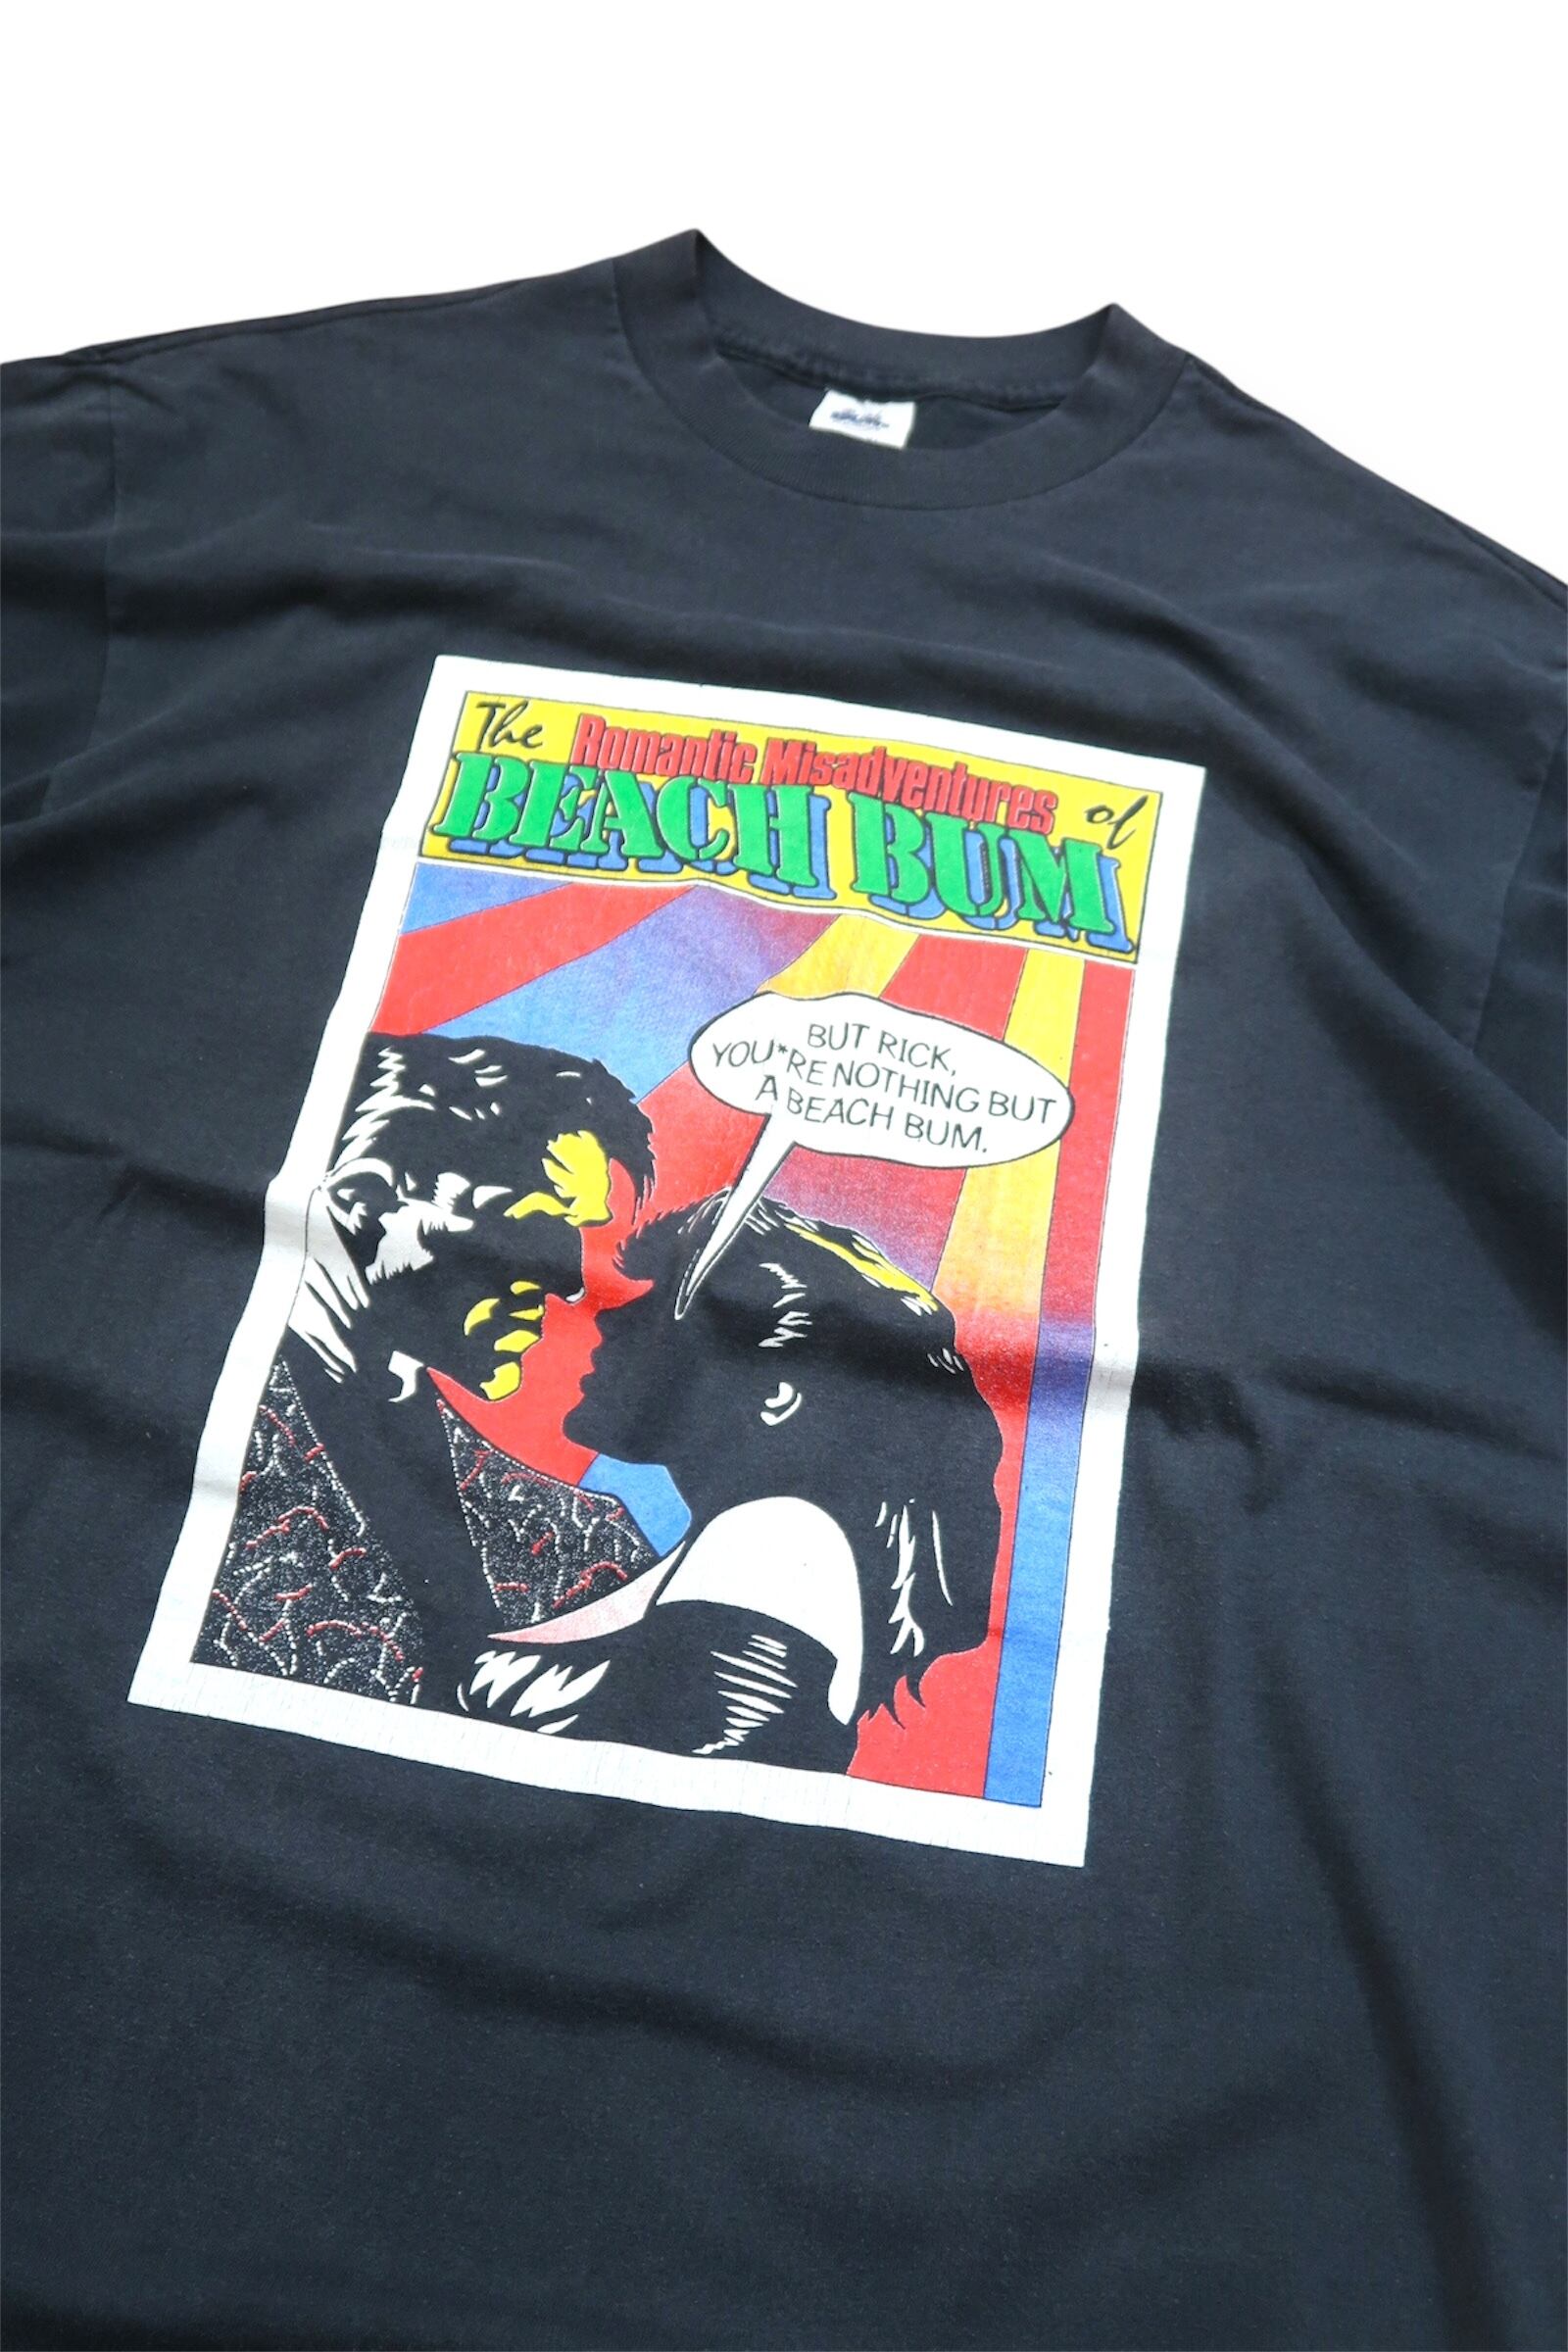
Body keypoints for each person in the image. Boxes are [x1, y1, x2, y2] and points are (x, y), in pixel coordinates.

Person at [457, 1192, 1004, 1769]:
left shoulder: (779, 1538)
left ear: (777, 1394)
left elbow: (703, 1774)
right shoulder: (751, 1542)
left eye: (662, 1306)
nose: (613, 1316)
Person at [200, 1030, 655, 1708]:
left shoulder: (585, 1546)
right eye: (531, 1230)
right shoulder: (171, 1412)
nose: (568, 1285)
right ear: (364, 1202)